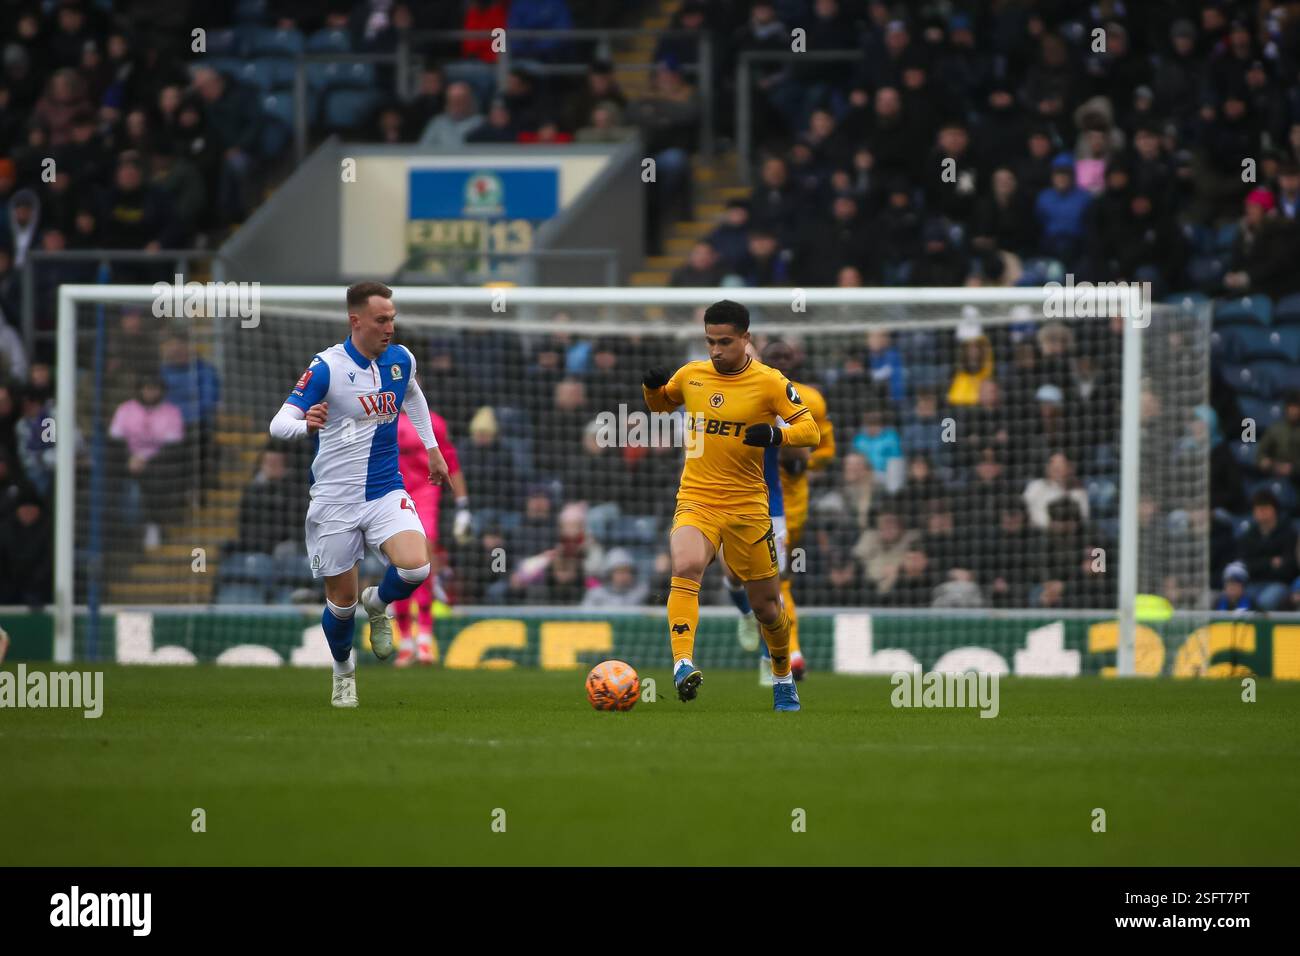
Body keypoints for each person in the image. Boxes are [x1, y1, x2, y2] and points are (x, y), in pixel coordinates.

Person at [268, 282, 451, 708]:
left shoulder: (401, 360)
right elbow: (279, 424)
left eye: (393, 318)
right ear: (356, 321)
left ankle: (379, 600)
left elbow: (413, 397)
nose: (390, 327)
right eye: (381, 319)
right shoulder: (326, 368)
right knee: (342, 605)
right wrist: (307, 426)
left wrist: (433, 450)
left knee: (417, 568)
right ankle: (343, 672)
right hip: (334, 500)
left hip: (386, 489)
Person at [641, 300, 820, 711]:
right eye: (710, 342)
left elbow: (808, 430)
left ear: (746, 339)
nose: (716, 350)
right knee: (685, 566)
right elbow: (662, 404)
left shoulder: (771, 382)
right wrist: (652, 389)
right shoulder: (691, 374)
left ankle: (782, 677)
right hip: (697, 499)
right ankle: (683, 663)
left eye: (725, 342)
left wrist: (777, 437)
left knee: (767, 608)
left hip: (748, 508)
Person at [391, 404, 472, 667]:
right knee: (400, 564)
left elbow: (451, 462)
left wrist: (463, 507)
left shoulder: (433, 423)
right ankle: (405, 642)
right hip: (394, 494)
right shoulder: (382, 419)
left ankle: (424, 639)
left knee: (423, 560)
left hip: (426, 495)